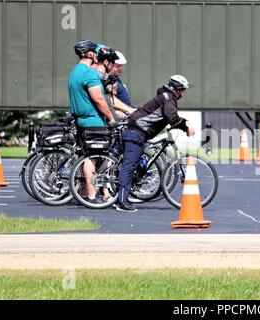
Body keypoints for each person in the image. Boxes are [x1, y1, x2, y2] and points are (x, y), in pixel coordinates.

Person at [114, 75, 196, 212]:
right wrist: (186, 126)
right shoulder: (169, 99)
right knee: (129, 166)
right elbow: (173, 118)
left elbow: (170, 117)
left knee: (134, 164)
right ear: (176, 89)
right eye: (182, 90)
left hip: (139, 132)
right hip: (136, 132)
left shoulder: (165, 96)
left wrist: (184, 123)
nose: (182, 93)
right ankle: (121, 201)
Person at [68, 39, 116, 203]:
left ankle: (91, 192)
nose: (97, 55)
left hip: (82, 121)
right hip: (93, 121)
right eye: (95, 51)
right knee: (91, 158)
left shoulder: (75, 72)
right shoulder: (88, 73)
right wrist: (111, 118)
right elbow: (98, 99)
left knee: (88, 157)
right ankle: (92, 194)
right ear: (89, 53)